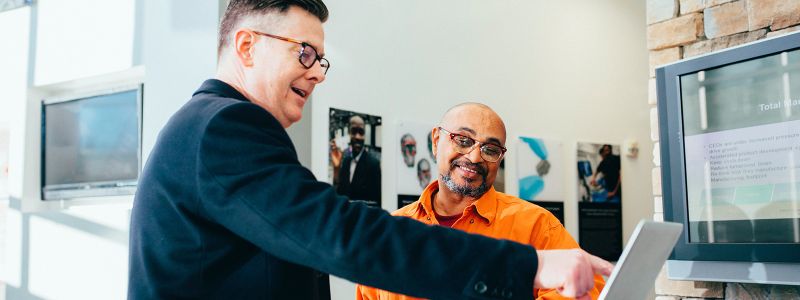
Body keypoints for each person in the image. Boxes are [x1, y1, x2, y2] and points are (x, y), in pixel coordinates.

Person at [128, 1, 613, 299]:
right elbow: (338, 233)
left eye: (321, 60)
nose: (317, 71)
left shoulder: (209, 126)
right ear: (247, 46)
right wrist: (528, 265)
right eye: (304, 53)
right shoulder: (224, 126)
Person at [355, 103, 607, 300]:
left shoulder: (536, 226)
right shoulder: (392, 231)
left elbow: (585, 292)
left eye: (490, 149)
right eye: (463, 140)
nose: (475, 157)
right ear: (435, 141)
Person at [330, 115, 381, 205]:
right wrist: (336, 168)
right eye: (354, 131)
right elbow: (339, 194)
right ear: (349, 133)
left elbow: (376, 203)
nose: (357, 136)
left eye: (361, 132)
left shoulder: (373, 164)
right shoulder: (345, 161)